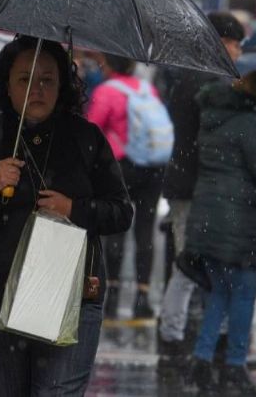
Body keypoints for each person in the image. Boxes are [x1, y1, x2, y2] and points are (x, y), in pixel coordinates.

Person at [0, 36, 133, 396]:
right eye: (24, 79)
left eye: (47, 79)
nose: (37, 89)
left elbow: (121, 212)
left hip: (70, 296)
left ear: (62, 85)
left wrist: (74, 209)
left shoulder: (85, 139)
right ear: (6, 85)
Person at [183, 71, 256, 393]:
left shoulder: (213, 118)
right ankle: (235, 367)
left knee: (218, 296)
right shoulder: (253, 124)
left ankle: (201, 361)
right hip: (238, 222)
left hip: (208, 219)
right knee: (243, 295)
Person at [157, 11, 245, 360]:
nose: (239, 52)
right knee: (193, 265)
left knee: (192, 263)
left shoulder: (189, 76)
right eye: (237, 44)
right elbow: (218, 142)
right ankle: (175, 337)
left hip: (185, 184)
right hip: (202, 189)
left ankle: (178, 335)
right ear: (224, 42)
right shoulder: (214, 82)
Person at [86, 53, 167, 319]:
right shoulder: (147, 88)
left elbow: (92, 131)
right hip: (153, 168)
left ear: (107, 64)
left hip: (121, 167)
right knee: (145, 228)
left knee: (118, 229)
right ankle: (143, 297)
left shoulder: (106, 91)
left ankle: (113, 295)